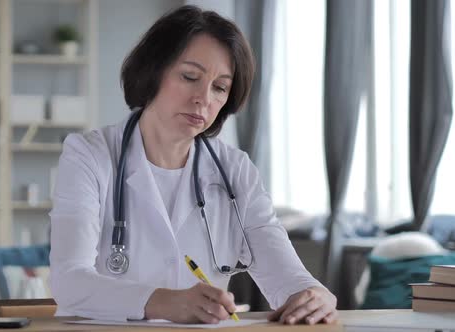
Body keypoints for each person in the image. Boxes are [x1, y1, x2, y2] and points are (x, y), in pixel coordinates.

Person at [49, 5, 337, 325]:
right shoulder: (89, 155)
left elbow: (289, 278)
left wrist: (314, 295)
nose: (203, 98)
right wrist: (163, 302)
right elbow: (69, 283)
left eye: (220, 87)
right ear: (153, 70)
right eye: (190, 77)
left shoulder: (235, 170)